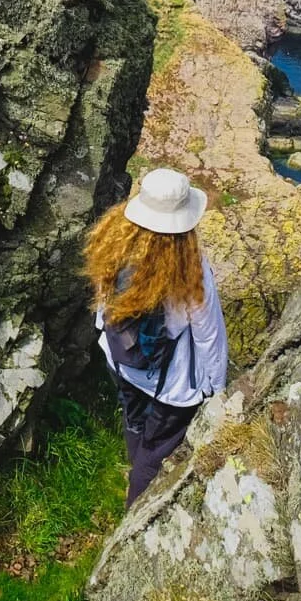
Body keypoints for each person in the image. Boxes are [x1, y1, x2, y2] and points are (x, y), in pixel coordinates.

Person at [84, 167, 228, 506]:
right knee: (157, 447)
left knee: (134, 420)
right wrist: (218, 392)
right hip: (170, 386)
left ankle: (135, 467)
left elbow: (104, 303)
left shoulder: (114, 248)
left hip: (121, 362)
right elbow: (209, 337)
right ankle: (136, 504)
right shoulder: (190, 272)